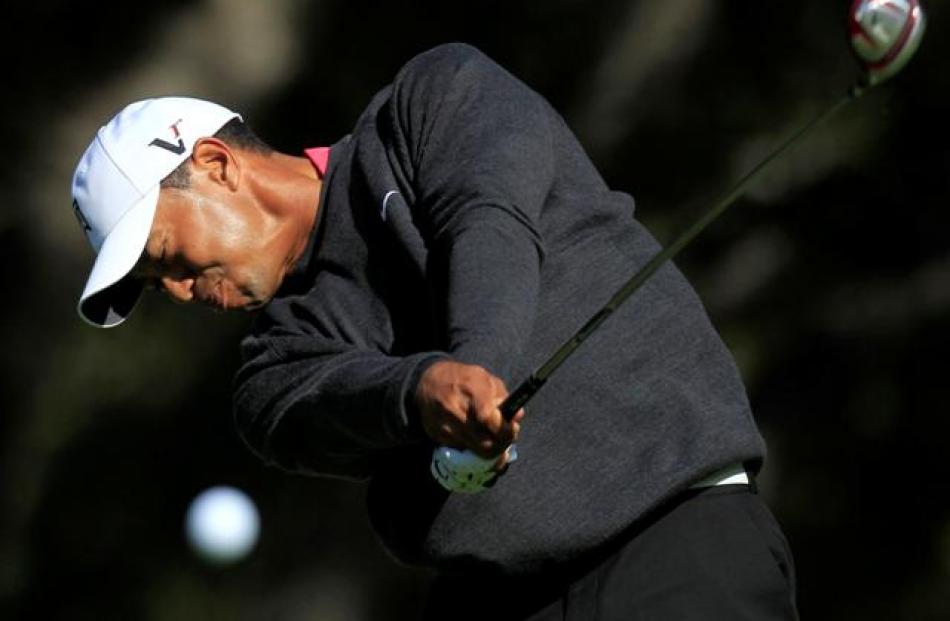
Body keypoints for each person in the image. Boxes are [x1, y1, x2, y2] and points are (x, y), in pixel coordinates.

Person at [71, 43, 798, 619]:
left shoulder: (434, 98)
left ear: (217, 164)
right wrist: (423, 391)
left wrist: (480, 367)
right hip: (499, 601)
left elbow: (488, 224)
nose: (175, 291)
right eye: (151, 287)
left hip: (674, 545)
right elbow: (333, 400)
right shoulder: (271, 370)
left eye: (164, 258)